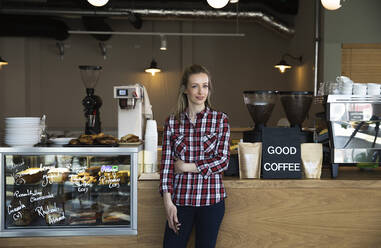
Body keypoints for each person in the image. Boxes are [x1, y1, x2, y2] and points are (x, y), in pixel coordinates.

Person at [159, 64, 231, 248]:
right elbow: (166, 166)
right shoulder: (172, 122)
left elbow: (223, 161)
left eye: (205, 86)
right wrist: (168, 203)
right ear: (185, 89)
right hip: (180, 202)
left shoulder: (220, 120)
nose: (201, 91)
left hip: (211, 201)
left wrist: (186, 167)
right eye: (195, 86)